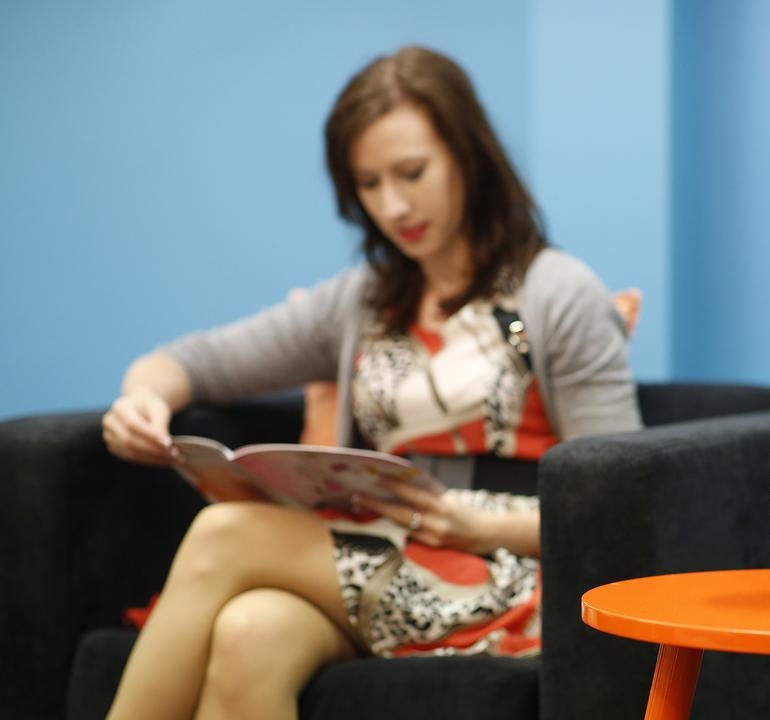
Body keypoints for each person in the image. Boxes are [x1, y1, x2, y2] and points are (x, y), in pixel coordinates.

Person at [100, 45, 640, 720]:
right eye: (369, 183)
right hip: (388, 553)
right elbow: (193, 359)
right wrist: (141, 397)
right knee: (249, 633)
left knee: (222, 535)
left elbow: (622, 503)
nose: (394, 205)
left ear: (469, 156)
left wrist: (474, 526)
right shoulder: (363, 301)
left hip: (513, 568)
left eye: (412, 173)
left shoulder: (558, 292)